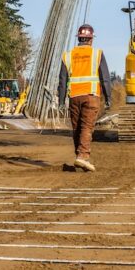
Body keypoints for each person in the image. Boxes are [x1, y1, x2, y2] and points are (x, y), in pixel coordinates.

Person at [58, 24, 111, 172]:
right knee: (87, 127)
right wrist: (108, 97)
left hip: (74, 97)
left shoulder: (67, 56)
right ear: (91, 39)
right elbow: (105, 78)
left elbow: (62, 81)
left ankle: (79, 157)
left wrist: (61, 101)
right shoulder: (97, 54)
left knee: (77, 128)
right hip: (91, 96)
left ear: (79, 38)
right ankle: (83, 157)